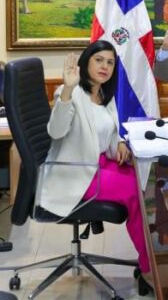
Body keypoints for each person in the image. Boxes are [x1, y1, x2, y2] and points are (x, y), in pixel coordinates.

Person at [42, 40, 152, 291]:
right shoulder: (69, 93)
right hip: (74, 171)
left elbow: (109, 133)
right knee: (134, 193)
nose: (105, 66)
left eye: (110, 62)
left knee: (144, 180)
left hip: (98, 164)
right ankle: (149, 269)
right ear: (86, 62)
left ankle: (152, 258)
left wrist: (120, 143)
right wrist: (67, 91)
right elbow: (56, 131)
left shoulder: (103, 94)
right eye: (99, 60)